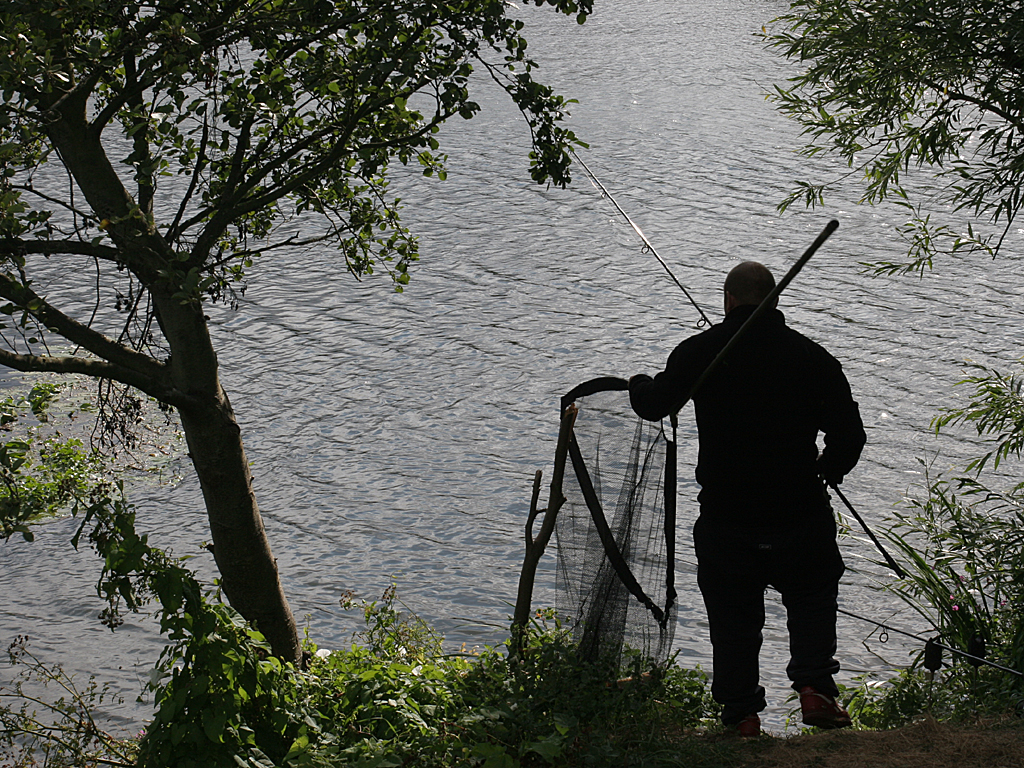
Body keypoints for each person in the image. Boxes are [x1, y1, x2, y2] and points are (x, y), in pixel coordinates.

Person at [628, 261, 866, 736]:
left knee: (734, 615)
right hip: (798, 509)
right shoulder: (812, 358)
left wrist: (639, 382)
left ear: (729, 301)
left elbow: (655, 405)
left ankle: (741, 715)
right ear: (775, 301)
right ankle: (815, 688)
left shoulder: (702, 351)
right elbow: (850, 436)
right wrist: (826, 471)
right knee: (812, 594)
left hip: (727, 515)